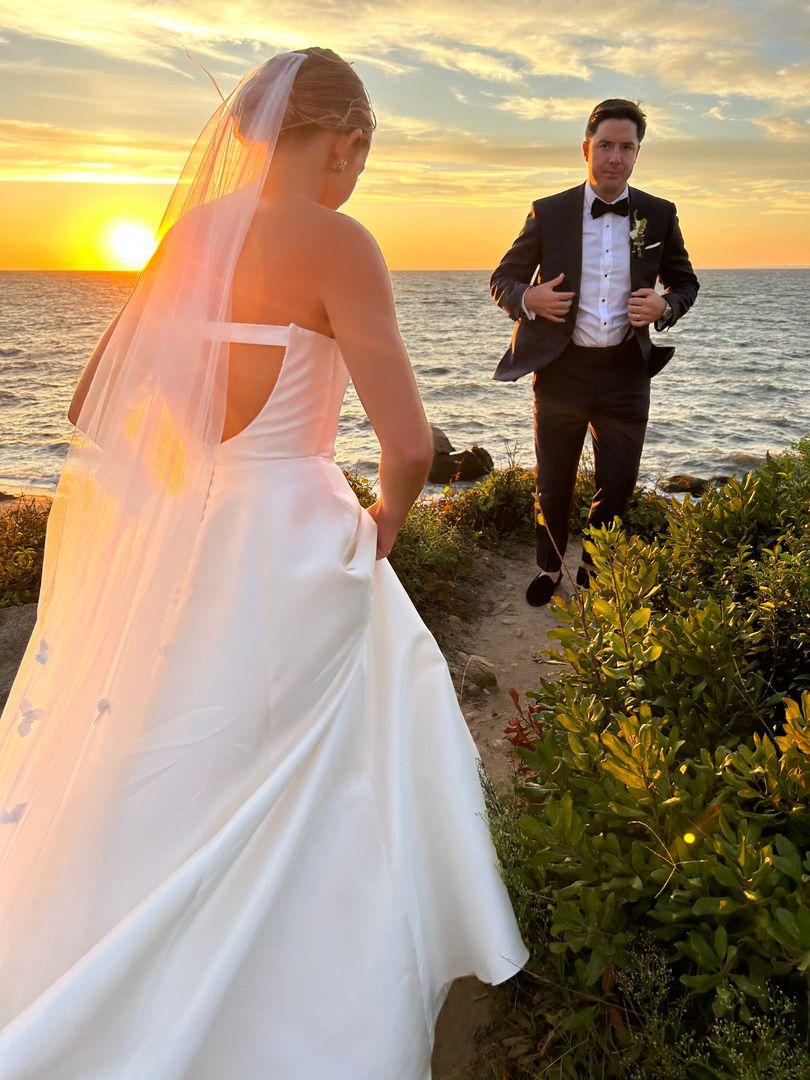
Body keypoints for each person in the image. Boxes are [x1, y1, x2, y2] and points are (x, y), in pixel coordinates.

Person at [0, 48, 529, 1078]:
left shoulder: (191, 234)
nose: (356, 175)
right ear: (348, 142)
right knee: (319, 769)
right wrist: (382, 518)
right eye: (359, 157)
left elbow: (94, 404)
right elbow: (411, 445)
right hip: (296, 534)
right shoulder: (341, 243)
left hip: (196, 533)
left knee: (181, 756)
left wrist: (179, 482)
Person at [490, 98, 699, 606]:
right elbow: (502, 280)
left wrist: (664, 305)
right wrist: (528, 300)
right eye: (605, 145)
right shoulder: (550, 212)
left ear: (637, 154)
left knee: (619, 483)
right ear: (586, 149)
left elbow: (686, 284)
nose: (615, 157)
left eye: (627, 147)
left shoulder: (659, 213)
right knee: (553, 481)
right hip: (561, 370)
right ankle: (550, 567)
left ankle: (594, 564)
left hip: (627, 374)